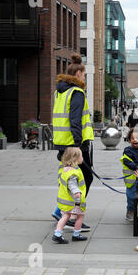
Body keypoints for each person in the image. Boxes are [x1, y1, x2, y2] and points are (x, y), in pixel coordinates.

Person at [51, 54, 93, 232]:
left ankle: (60, 211)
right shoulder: (76, 93)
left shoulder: (60, 91)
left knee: (69, 178)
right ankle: (72, 216)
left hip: (62, 143)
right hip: (74, 144)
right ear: (77, 74)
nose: (84, 78)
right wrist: (78, 145)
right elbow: (75, 120)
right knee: (84, 178)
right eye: (83, 74)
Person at [52, 147, 88, 244]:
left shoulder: (65, 169)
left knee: (65, 216)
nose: (83, 158)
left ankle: (58, 234)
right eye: (81, 156)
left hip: (65, 200)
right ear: (75, 159)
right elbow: (72, 185)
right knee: (80, 216)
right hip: (74, 201)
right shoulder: (73, 173)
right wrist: (77, 194)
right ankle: (76, 234)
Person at [120, 129, 138, 221]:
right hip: (132, 178)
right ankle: (130, 211)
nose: (135, 140)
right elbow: (127, 161)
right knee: (131, 196)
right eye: (132, 138)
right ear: (129, 140)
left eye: (137, 138)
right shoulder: (128, 150)